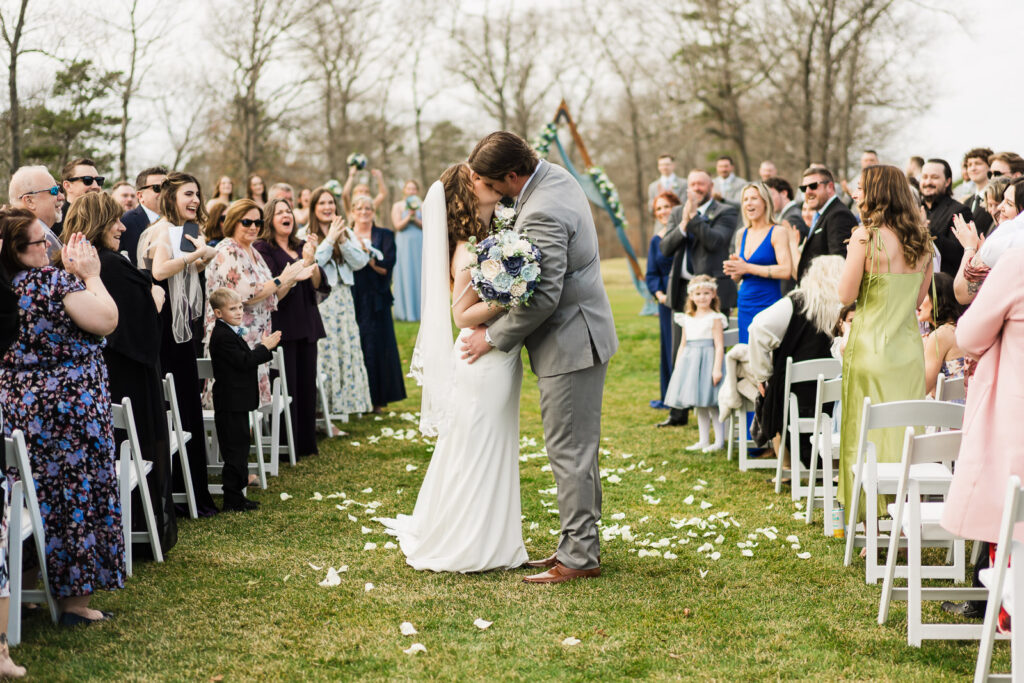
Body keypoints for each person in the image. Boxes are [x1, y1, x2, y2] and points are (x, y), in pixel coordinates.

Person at [463, 131, 618, 585]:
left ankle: (579, 557)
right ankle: (577, 543)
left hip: (570, 342)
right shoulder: (556, 177)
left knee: (569, 452)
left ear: (513, 175)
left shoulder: (544, 210)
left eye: (492, 183)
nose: (490, 191)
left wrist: (490, 337)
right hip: (584, 333)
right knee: (579, 451)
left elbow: (544, 296)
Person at [377, 163, 529, 572]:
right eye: (480, 179)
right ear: (466, 192)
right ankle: (472, 540)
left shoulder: (489, 239)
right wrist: (516, 294)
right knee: (479, 444)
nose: (491, 182)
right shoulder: (466, 248)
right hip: (481, 357)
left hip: (495, 356)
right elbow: (461, 316)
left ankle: (493, 536)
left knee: (486, 443)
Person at [0, 209, 123, 628]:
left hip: (18, 408)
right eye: (42, 242)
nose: (50, 247)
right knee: (75, 497)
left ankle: (28, 588)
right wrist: (91, 274)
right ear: (20, 252)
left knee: (29, 494)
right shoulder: (53, 284)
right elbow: (107, 319)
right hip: (69, 412)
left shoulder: (4, 288)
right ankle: (75, 604)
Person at [60, 192, 177, 552]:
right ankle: (141, 530)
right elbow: (134, 325)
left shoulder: (72, 264)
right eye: (114, 221)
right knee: (137, 445)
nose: (122, 227)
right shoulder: (109, 265)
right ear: (97, 223)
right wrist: (154, 301)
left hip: (106, 371)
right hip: (129, 374)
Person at [837, 164, 933, 523]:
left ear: (875, 192)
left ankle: (870, 520)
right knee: (904, 432)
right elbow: (918, 300)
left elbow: (845, 294)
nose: (857, 193)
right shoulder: (923, 241)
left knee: (866, 433)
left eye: (861, 187)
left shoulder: (866, 237)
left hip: (871, 347)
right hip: (908, 351)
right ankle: (902, 521)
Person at [137, 172, 220, 516]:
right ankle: (178, 493)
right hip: (165, 333)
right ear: (171, 196)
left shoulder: (182, 230)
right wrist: (193, 256)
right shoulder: (160, 231)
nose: (196, 200)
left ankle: (194, 489)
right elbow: (158, 272)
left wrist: (202, 258)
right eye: (189, 194)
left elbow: (185, 272)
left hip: (184, 328)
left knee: (188, 407)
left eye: (198, 194)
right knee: (179, 406)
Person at [940, 248, 1024, 567]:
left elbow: (969, 335)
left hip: (1014, 407)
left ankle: (1005, 608)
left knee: (1008, 512)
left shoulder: (1015, 263)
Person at [204, 199, 311, 407]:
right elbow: (247, 293)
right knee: (236, 405)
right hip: (235, 339)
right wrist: (282, 278)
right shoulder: (228, 250)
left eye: (258, 222)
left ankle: (254, 440)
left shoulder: (253, 252)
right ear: (233, 222)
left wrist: (291, 279)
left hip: (256, 337)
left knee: (252, 405)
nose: (253, 227)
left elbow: (272, 296)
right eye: (246, 222)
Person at [657, 169, 738, 428]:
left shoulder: (726, 211)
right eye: (692, 184)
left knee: (716, 350)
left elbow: (715, 241)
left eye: (701, 184)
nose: (697, 188)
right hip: (682, 291)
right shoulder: (678, 212)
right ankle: (678, 410)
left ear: (711, 186)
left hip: (711, 294)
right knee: (679, 350)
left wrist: (694, 218)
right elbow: (665, 248)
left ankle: (720, 407)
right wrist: (682, 223)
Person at [747, 255, 844, 465]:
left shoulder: (795, 302)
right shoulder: (851, 306)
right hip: (839, 399)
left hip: (797, 400)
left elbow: (758, 328)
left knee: (773, 392)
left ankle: (788, 466)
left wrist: (762, 375)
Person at [254, 198, 329, 459]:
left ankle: (307, 443)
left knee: (307, 384)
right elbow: (274, 294)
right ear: (269, 219)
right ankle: (286, 446)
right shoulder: (263, 249)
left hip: (307, 321)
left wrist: (310, 262)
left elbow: (320, 285)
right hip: (282, 325)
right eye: (279, 212)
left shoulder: (301, 245)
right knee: (286, 387)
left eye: (288, 211)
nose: (286, 215)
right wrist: (294, 275)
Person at [208, 288, 281, 511]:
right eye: (233, 309)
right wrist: (265, 347)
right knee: (233, 450)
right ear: (219, 313)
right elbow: (244, 361)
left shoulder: (230, 332)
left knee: (241, 446)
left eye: (240, 307)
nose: (239, 312)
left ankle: (237, 495)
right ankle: (232, 497)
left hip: (238, 401)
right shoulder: (222, 336)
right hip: (230, 402)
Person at [308, 187, 373, 418]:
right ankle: (322, 407)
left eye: (331, 203)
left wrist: (343, 240)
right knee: (326, 350)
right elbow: (313, 261)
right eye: (322, 203)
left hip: (344, 298)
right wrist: (329, 239)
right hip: (322, 299)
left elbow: (361, 262)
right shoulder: (306, 233)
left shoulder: (345, 232)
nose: (328, 207)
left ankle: (345, 402)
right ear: (314, 208)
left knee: (346, 346)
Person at [351, 195, 407, 412]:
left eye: (368, 208)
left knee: (378, 346)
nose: (364, 212)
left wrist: (369, 259)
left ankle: (378, 399)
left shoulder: (384, 235)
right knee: (357, 344)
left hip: (377, 296)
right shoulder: (347, 235)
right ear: (353, 211)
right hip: (353, 295)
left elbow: (387, 266)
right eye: (359, 208)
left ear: (373, 211)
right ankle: (355, 399)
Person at [663, 275, 726, 452]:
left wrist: (717, 369)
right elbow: (683, 343)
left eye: (706, 293)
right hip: (691, 363)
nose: (702, 297)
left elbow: (719, 346)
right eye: (698, 293)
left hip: (708, 361)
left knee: (712, 403)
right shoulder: (687, 318)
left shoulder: (715, 318)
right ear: (691, 296)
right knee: (699, 404)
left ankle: (719, 441)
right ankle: (703, 440)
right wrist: (678, 366)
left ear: (713, 294)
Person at [723, 182, 792, 342]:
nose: (749, 203)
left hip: (768, 303)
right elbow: (739, 277)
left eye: (754, 198)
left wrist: (747, 267)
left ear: (765, 202)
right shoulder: (742, 234)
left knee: (765, 357)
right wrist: (735, 270)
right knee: (746, 354)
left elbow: (785, 270)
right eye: (745, 199)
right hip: (745, 303)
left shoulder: (778, 231)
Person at [645, 190, 681, 409]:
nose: (662, 212)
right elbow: (651, 274)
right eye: (658, 208)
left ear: (675, 207)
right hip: (666, 301)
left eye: (666, 206)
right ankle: (670, 396)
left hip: (688, 298)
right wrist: (660, 294)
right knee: (669, 347)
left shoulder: (684, 233)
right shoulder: (655, 240)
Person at [795, 166, 858, 282]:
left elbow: (839, 264)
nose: (808, 192)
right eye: (803, 188)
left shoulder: (838, 215)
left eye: (813, 186)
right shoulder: (822, 215)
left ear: (830, 187)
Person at [921, 158, 971, 276]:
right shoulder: (914, 209)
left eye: (934, 177)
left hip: (944, 286)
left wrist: (927, 231)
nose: (928, 182)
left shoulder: (960, 211)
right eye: (924, 177)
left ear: (947, 182)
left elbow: (958, 253)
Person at [920, 272, 966, 397]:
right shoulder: (962, 328)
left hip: (949, 412)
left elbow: (922, 387)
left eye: (923, 295)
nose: (917, 301)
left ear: (938, 299)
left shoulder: (939, 336)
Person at [8, 165, 65, 263]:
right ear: (30, 201)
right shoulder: (34, 239)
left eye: (59, 189)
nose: (61, 197)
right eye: (54, 191)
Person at [119, 166, 167, 267]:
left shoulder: (176, 221)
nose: (164, 192)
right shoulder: (126, 222)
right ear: (140, 196)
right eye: (157, 188)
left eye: (167, 187)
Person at [391, 179, 423, 322]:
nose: (411, 191)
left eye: (413, 189)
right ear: (404, 190)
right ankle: (406, 312)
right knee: (405, 272)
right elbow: (398, 226)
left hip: (419, 241)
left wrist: (415, 218)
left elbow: (426, 225)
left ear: (417, 191)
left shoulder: (422, 205)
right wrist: (408, 217)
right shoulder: (397, 206)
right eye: (408, 188)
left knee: (419, 273)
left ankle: (420, 312)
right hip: (404, 243)